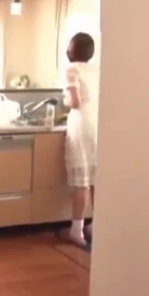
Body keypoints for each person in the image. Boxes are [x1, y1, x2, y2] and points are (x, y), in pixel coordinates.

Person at [59, 32, 99, 247]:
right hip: (97, 123)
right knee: (95, 177)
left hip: (81, 124)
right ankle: (97, 227)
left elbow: (74, 102)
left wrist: (65, 100)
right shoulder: (96, 69)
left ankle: (76, 231)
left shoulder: (71, 69)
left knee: (82, 181)